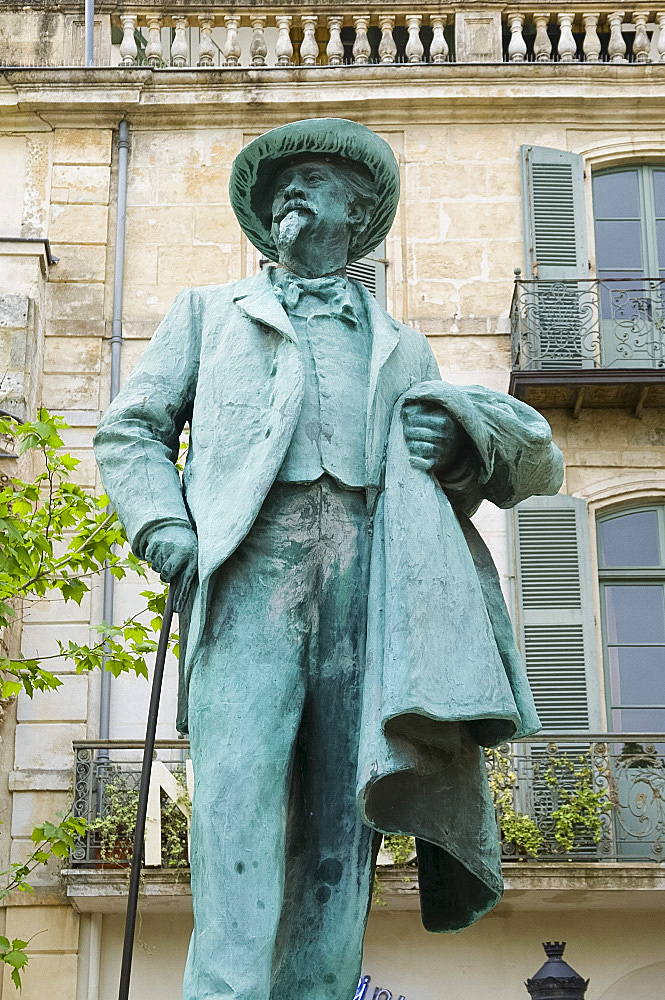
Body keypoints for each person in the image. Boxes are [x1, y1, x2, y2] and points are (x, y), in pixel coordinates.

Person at [93, 118, 563, 1000]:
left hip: (369, 587)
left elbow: (443, 488)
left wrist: (450, 444)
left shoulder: (402, 343)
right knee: (235, 815)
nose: (288, 197)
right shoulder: (207, 313)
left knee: (343, 835)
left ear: (360, 211)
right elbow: (131, 430)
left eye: (310, 181)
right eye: (279, 190)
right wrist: (164, 527)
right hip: (248, 578)